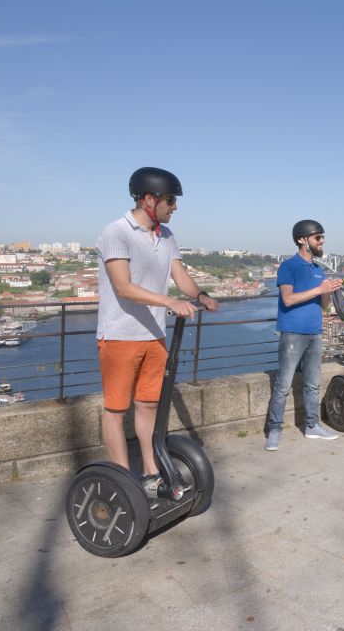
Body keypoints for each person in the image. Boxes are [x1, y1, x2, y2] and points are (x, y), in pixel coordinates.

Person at [96, 167, 218, 488]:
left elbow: (179, 275)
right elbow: (123, 287)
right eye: (170, 200)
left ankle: (150, 470)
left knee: (149, 404)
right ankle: (123, 477)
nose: (174, 207)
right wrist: (168, 303)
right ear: (149, 199)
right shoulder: (116, 232)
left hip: (154, 336)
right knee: (115, 410)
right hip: (120, 335)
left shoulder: (166, 235)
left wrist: (200, 295)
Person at [265, 219, 343, 450]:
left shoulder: (318, 270)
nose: (322, 241)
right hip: (292, 333)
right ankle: (274, 430)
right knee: (283, 385)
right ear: (303, 240)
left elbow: (324, 307)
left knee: (312, 384)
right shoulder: (288, 267)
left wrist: (329, 291)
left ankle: (312, 426)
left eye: (322, 237)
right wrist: (319, 289)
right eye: (318, 237)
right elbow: (288, 299)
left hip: (315, 332)